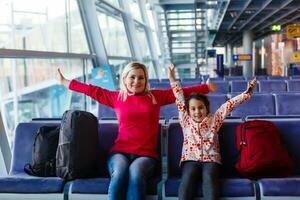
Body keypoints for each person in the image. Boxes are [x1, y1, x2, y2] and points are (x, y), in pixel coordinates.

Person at [57, 62, 217, 200]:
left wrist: (206, 88)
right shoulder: (117, 97)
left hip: (146, 155)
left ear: (146, 80)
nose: (136, 81)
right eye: (132, 77)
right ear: (125, 79)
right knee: (119, 172)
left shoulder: (155, 96)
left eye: (141, 77)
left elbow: (180, 93)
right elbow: (91, 90)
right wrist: (65, 82)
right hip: (120, 152)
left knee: (135, 172)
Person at [168, 63, 257, 200]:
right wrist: (172, 79)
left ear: (206, 108)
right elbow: (179, 97)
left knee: (209, 178)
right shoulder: (185, 120)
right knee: (187, 180)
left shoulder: (214, 120)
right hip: (190, 159)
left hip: (211, 159)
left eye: (201, 108)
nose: (197, 112)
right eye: (193, 109)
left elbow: (228, 105)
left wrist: (247, 94)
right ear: (188, 110)